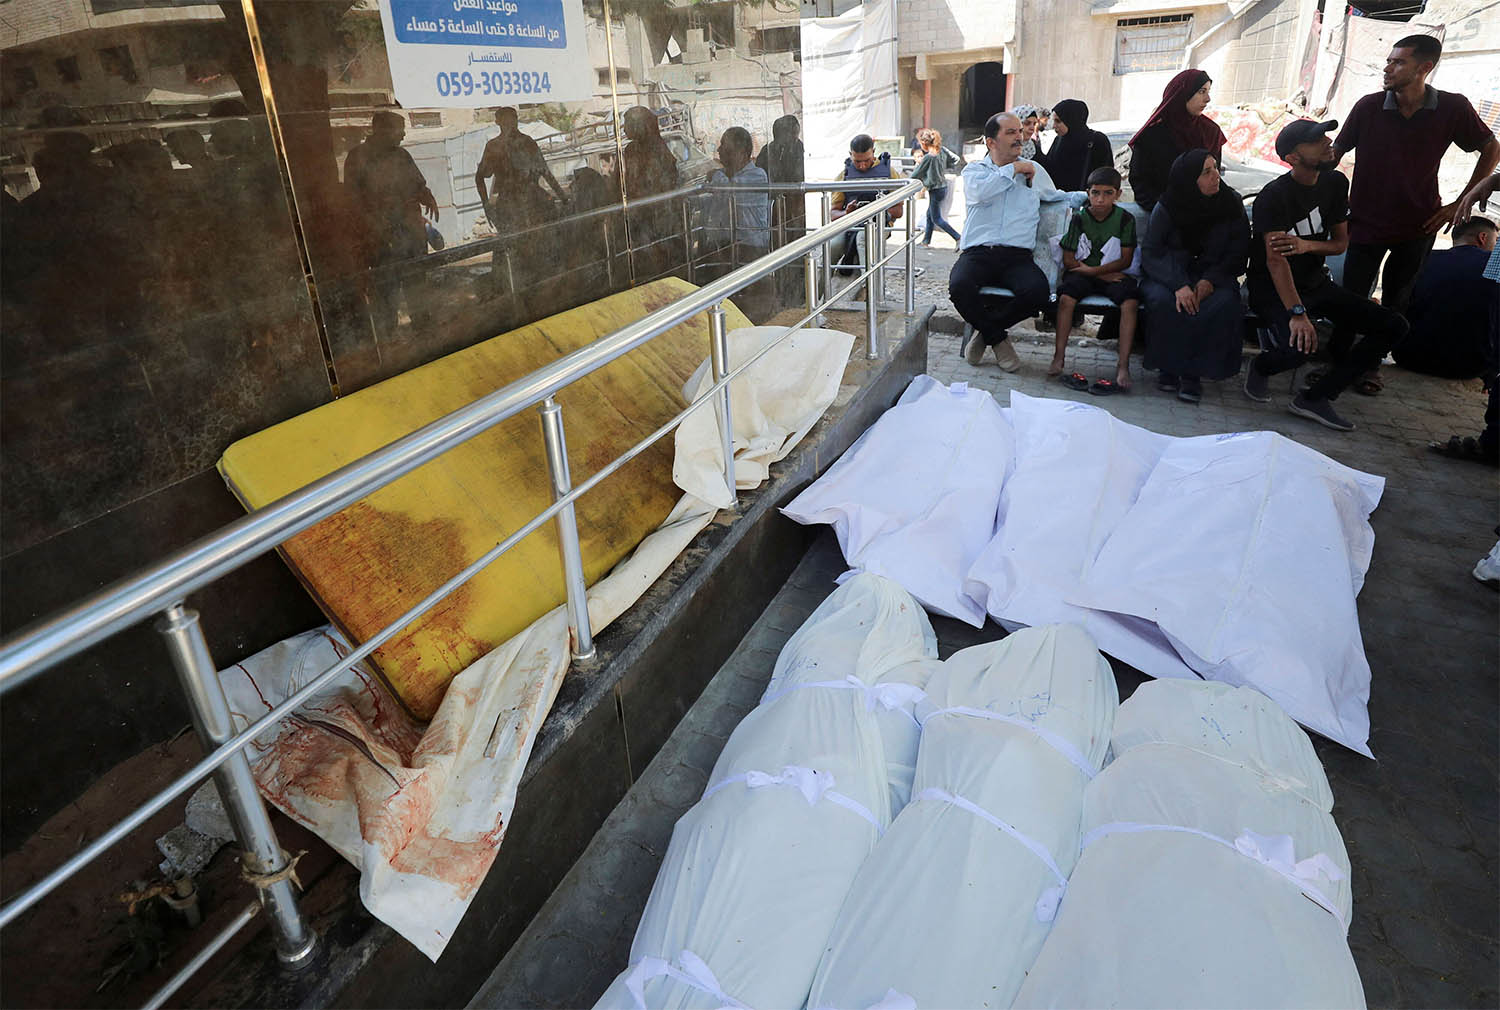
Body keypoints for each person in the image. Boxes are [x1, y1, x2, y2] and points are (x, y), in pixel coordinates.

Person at [1330, 34, 1499, 395]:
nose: (1388, 68)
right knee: (1353, 297)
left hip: (1419, 224)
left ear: (1425, 67)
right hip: (1363, 220)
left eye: (1398, 62)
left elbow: (1491, 147)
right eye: (1389, 60)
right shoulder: (1368, 106)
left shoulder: (1452, 108)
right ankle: (1338, 363)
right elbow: (1336, 154)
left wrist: (1461, 201)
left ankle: (1370, 367)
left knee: (1397, 300)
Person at [1244, 119, 1408, 431]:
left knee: (1393, 326)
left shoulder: (1334, 183)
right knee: (1300, 347)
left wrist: (1305, 245)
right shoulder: (1274, 196)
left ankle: (1316, 397)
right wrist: (1297, 312)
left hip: (1316, 283)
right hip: (1272, 290)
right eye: (1316, 139)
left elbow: (1340, 243)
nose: (1327, 141)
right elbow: (1276, 262)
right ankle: (1262, 366)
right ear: (1292, 157)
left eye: (1325, 135)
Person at [949, 111, 1065, 372]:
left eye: (1020, 132)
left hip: (1017, 257)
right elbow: (981, 193)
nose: (1020, 137)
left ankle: (987, 333)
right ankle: (1000, 341)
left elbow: (1057, 196)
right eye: (1011, 133)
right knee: (959, 286)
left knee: (1038, 293)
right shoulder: (975, 171)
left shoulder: (1035, 171)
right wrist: (1013, 168)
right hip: (979, 252)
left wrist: (1093, 198)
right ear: (991, 142)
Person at [1141, 149, 1250, 403]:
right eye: (1206, 172)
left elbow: (1238, 250)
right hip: (1171, 275)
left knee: (1221, 304)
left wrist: (1210, 279)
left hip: (1215, 275)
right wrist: (1178, 284)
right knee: (1163, 300)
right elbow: (1152, 251)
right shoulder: (1169, 205)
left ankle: (1193, 374)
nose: (1216, 177)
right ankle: (1168, 368)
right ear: (1189, 178)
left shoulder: (1231, 204)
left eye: (1216, 169)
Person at [1050, 166, 1140, 393]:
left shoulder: (1125, 219)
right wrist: (1096, 272)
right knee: (1066, 299)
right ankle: (1058, 357)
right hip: (1087, 273)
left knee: (1130, 303)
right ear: (1088, 193)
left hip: (1107, 273)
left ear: (1118, 194)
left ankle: (1123, 366)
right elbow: (1069, 260)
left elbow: (1126, 261)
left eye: (1108, 193)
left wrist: (1094, 271)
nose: (1100, 199)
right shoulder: (1080, 218)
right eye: (1095, 193)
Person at [1390, 217, 1496, 378]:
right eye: (1495, 241)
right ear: (1483, 237)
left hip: (1407, 355)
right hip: (1467, 366)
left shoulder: (1425, 258)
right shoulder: (1492, 265)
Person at [1127, 69, 1226, 213]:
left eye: (1208, 91)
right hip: (1166, 217)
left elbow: (1214, 178)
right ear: (1183, 94)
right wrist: (1164, 211)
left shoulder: (1211, 131)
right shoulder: (1152, 136)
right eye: (1201, 91)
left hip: (1205, 218)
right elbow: (1140, 183)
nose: (1207, 99)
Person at [475, 107, 565, 235]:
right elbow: (479, 177)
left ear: (516, 121)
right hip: (510, 204)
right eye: (506, 122)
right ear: (498, 123)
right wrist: (486, 206)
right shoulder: (494, 147)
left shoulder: (527, 142)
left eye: (512, 121)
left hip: (532, 200)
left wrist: (563, 198)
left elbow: (545, 172)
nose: (510, 125)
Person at [830, 134, 904, 274]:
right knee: (832, 247)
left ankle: (869, 288)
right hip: (849, 224)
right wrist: (848, 213)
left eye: (867, 160)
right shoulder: (844, 175)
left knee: (864, 238)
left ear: (873, 153)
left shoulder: (889, 173)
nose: (862, 166)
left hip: (879, 223)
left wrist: (876, 209)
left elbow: (899, 211)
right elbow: (833, 214)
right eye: (857, 161)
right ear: (850, 155)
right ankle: (814, 293)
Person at [702, 126, 771, 263]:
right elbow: (712, 200)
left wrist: (715, 175)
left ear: (741, 152)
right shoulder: (725, 175)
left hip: (749, 248)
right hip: (725, 245)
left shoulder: (757, 176)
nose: (719, 150)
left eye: (724, 145)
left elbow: (729, 193)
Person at [1039, 100, 1115, 193]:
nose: (1054, 126)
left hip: (1089, 202)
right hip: (1060, 200)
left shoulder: (1097, 140)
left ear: (1071, 120)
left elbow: (1106, 176)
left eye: (1058, 121)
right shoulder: (1059, 140)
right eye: (1054, 121)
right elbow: (1050, 169)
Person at [912, 128, 961, 246]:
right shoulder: (942, 150)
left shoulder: (929, 157)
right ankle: (926, 241)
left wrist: (920, 165)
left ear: (923, 143)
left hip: (935, 189)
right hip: (943, 187)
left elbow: (915, 174)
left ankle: (958, 237)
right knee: (930, 215)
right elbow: (956, 159)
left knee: (937, 219)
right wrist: (944, 166)